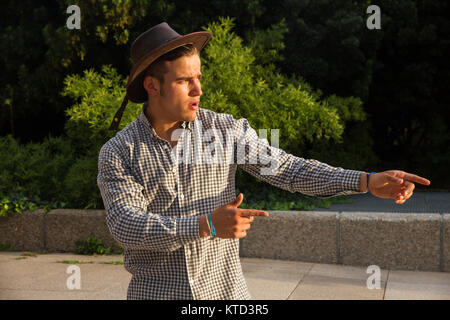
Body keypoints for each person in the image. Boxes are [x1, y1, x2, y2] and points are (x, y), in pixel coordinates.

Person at [97, 22, 431, 300]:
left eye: (199, 77)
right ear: (152, 85)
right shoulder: (119, 152)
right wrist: (205, 225)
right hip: (155, 293)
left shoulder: (224, 130)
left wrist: (365, 181)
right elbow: (127, 226)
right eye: (185, 81)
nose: (198, 89)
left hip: (226, 296)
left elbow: (288, 169)